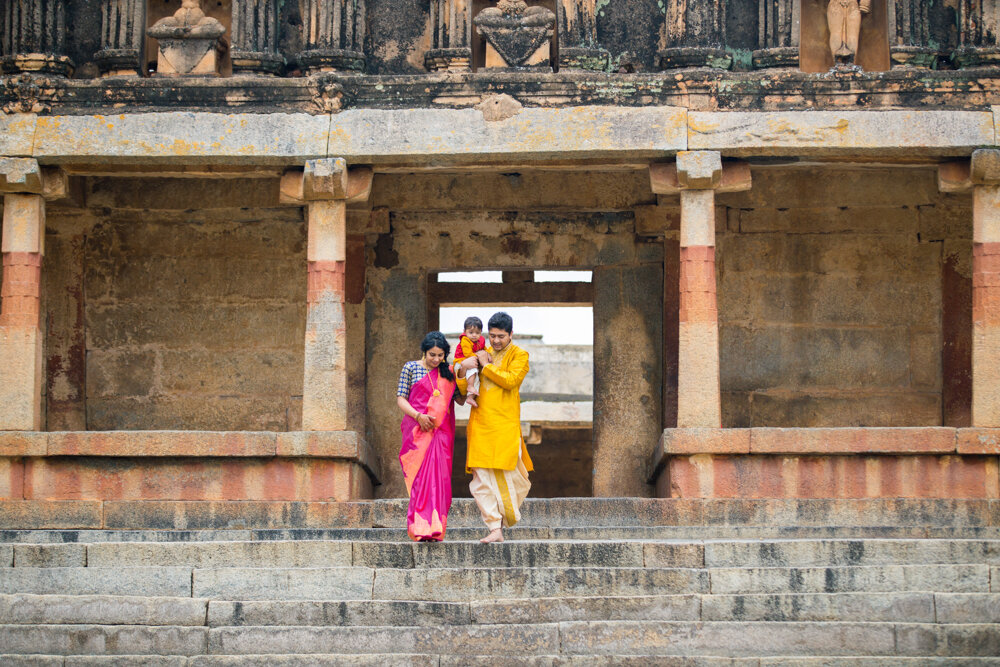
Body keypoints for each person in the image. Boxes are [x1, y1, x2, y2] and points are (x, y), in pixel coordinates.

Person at [458, 311, 533, 544]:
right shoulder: (483, 351)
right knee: (480, 479)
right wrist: (463, 368)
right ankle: (494, 527)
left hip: (505, 424)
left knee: (512, 476)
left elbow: (511, 381)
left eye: (501, 336)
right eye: (492, 336)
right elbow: (462, 387)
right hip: (481, 422)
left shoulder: (520, 355)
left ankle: (503, 518)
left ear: (511, 334)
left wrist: (484, 365)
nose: (496, 341)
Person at [396, 331, 465, 542]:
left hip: (441, 435)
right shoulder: (411, 367)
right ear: (424, 352)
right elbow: (401, 399)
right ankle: (419, 528)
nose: (436, 360)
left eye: (440, 355)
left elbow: (460, 401)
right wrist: (418, 416)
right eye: (432, 355)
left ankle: (436, 528)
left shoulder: (448, 373)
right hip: (417, 432)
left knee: (440, 480)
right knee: (419, 481)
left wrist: (462, 378)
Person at [454, 316, 489, 408]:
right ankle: (470, 386)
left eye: (477, 333)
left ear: (481, 332)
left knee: (476, 379)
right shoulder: (465, 340)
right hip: (460, 361)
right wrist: (480, 357)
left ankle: (470, 397)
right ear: (464, 331)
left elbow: (483, 348)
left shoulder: (480, 340)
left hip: (471, 361)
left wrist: (487, 354)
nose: (474, 335)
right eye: (471, 332)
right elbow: (467, 353)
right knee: (473, 371)